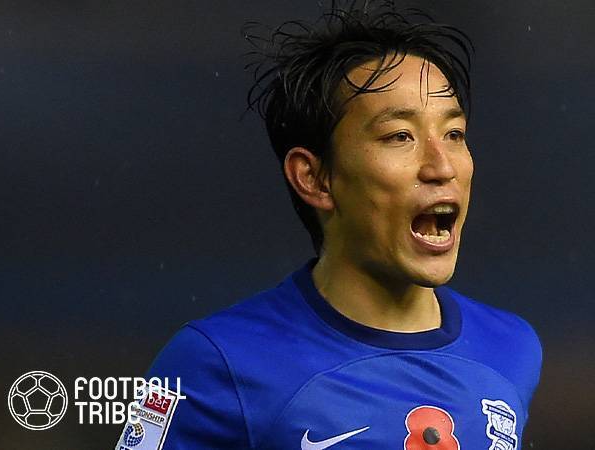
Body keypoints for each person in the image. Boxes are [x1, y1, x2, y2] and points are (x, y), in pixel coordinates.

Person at [117, 2, 541, 449]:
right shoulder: (213, 363)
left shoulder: (511, 348)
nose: (442, 166)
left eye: (454, 134)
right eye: (400, 136)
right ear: (315, 178)